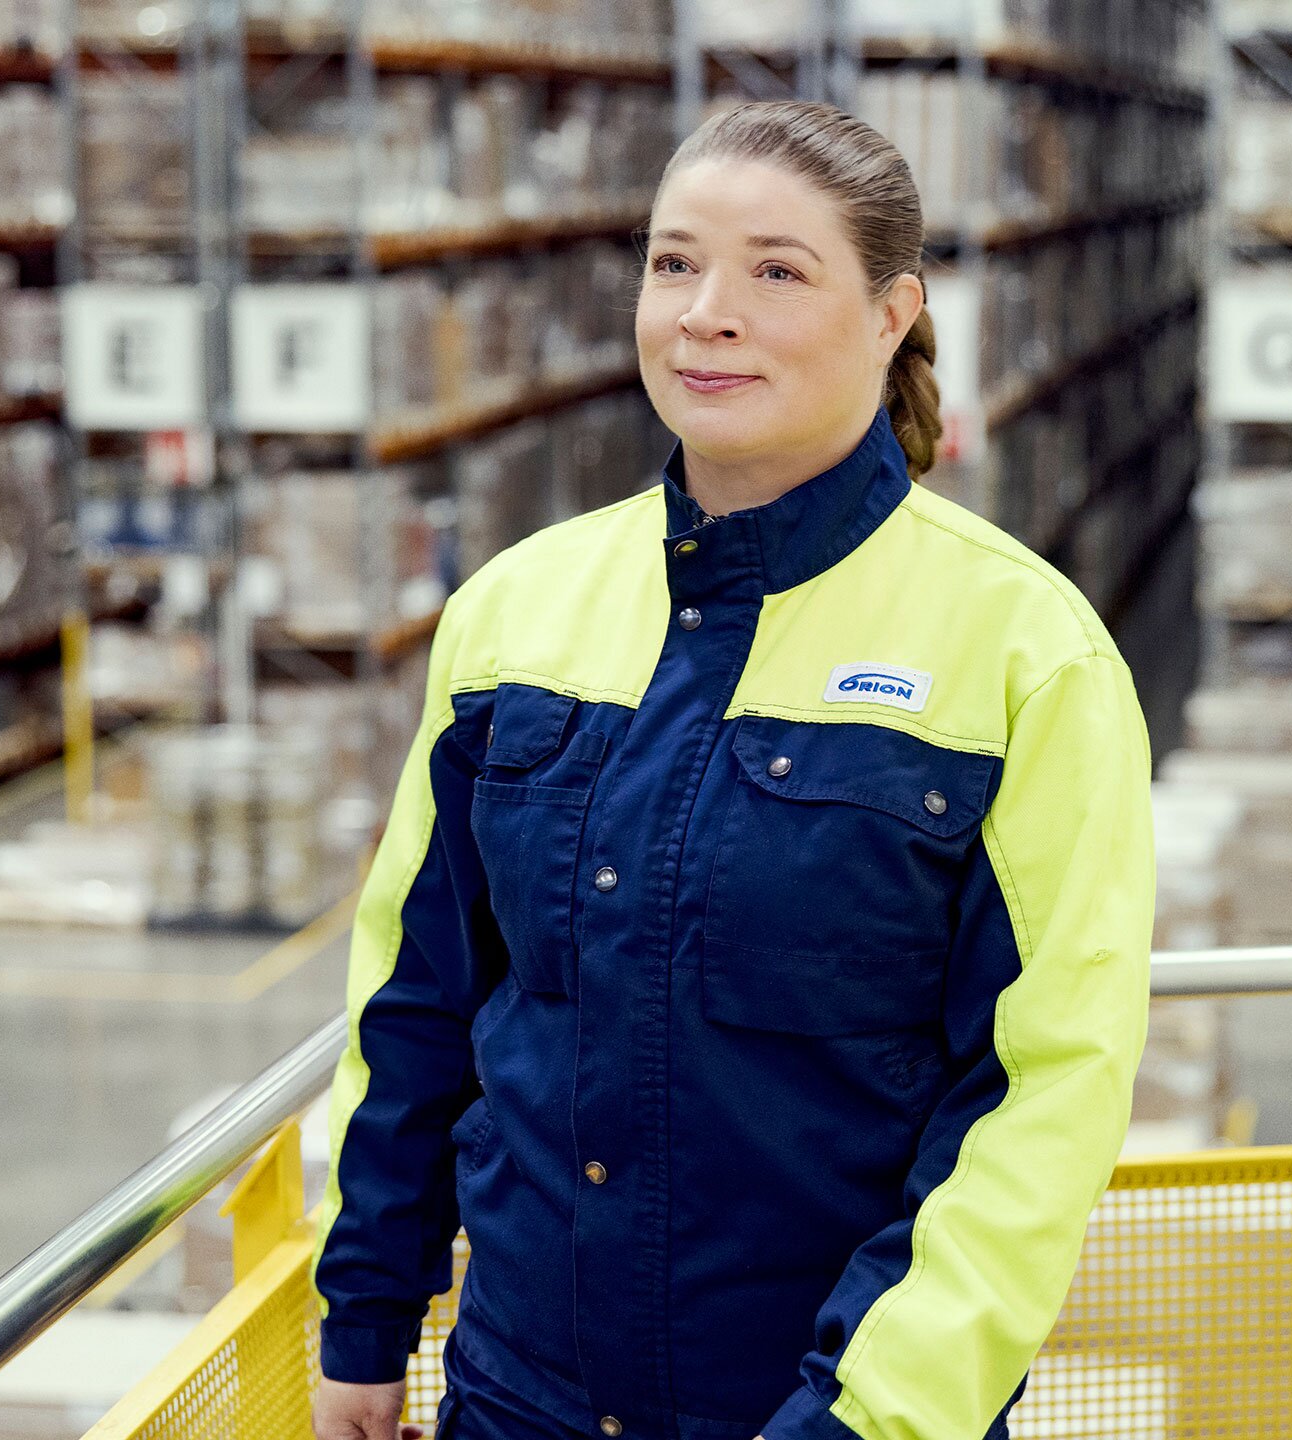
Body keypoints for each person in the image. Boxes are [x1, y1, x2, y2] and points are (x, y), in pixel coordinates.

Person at [311, 99, 1155, 1440]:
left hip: (830, 1413)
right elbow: (419, 1000)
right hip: (518, 1400)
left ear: (892, 315)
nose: (707, 314)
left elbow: (1042, 1093)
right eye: (674, 263)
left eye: (777, 271)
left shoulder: (1022, 655)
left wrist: (863, 1419)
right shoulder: (517, 613)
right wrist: (364, 1315)